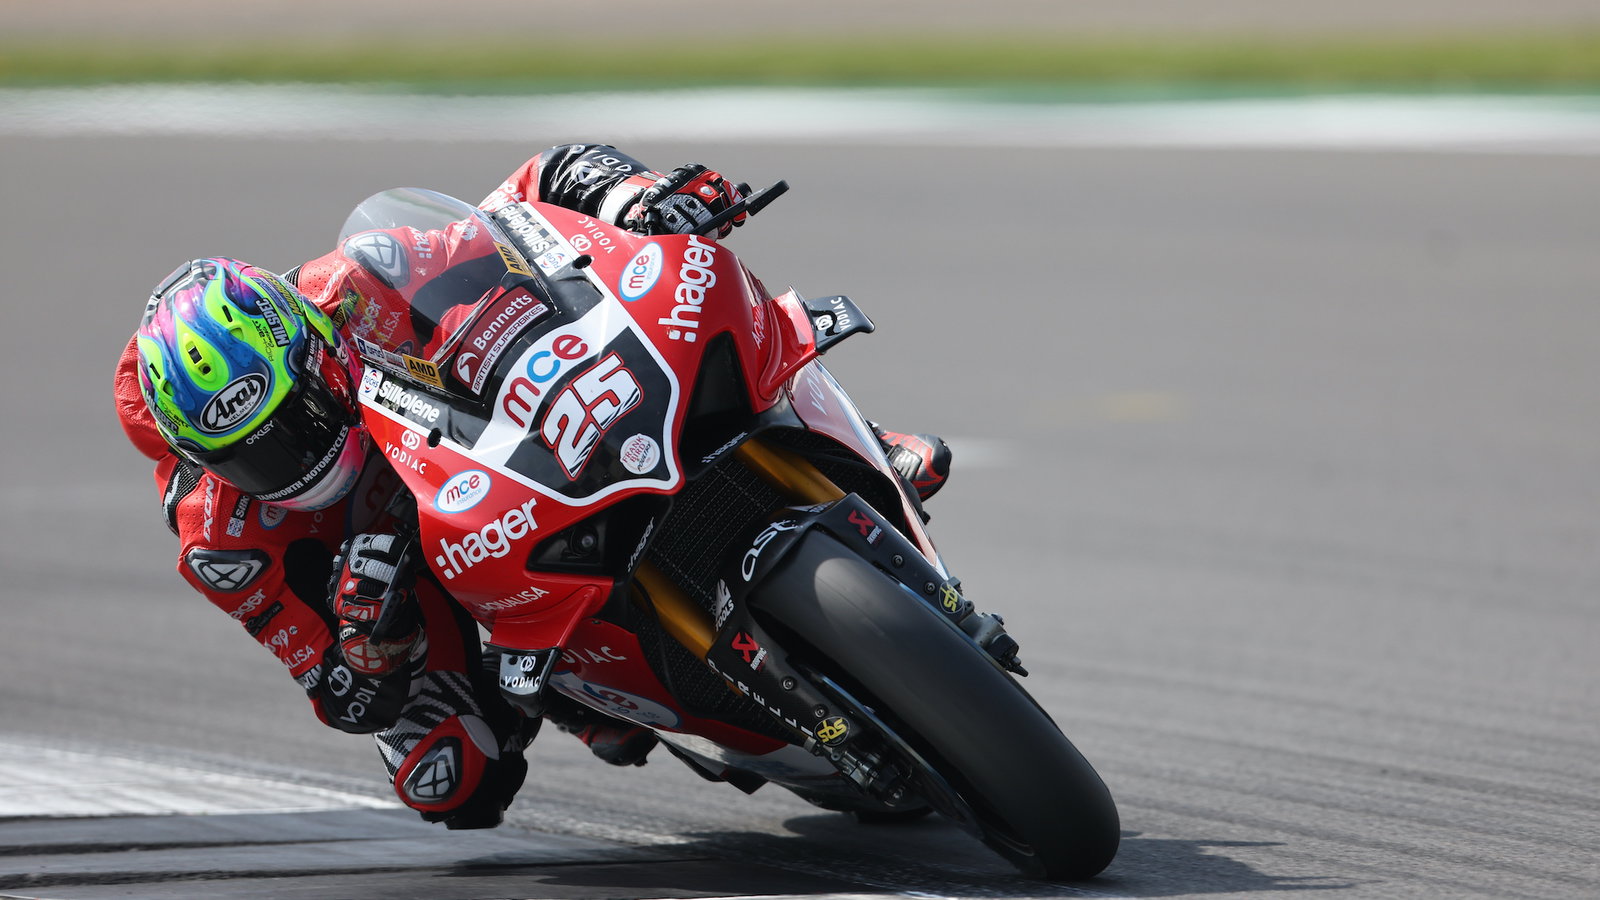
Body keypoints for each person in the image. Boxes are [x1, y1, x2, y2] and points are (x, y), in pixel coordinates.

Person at [113, 144, 953, 830]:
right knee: (443, 775)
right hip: (426, 591)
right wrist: (373, 638)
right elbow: (341, 694)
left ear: (314, 352)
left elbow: (523, 204)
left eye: (298, 418)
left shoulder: (349, 288)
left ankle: (852, 443)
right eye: (254, 457)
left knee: (692, 306)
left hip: (496, 461)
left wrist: (635, 198)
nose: (294, 461)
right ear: (203, 458)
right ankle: (586, 695)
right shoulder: (222, 539)